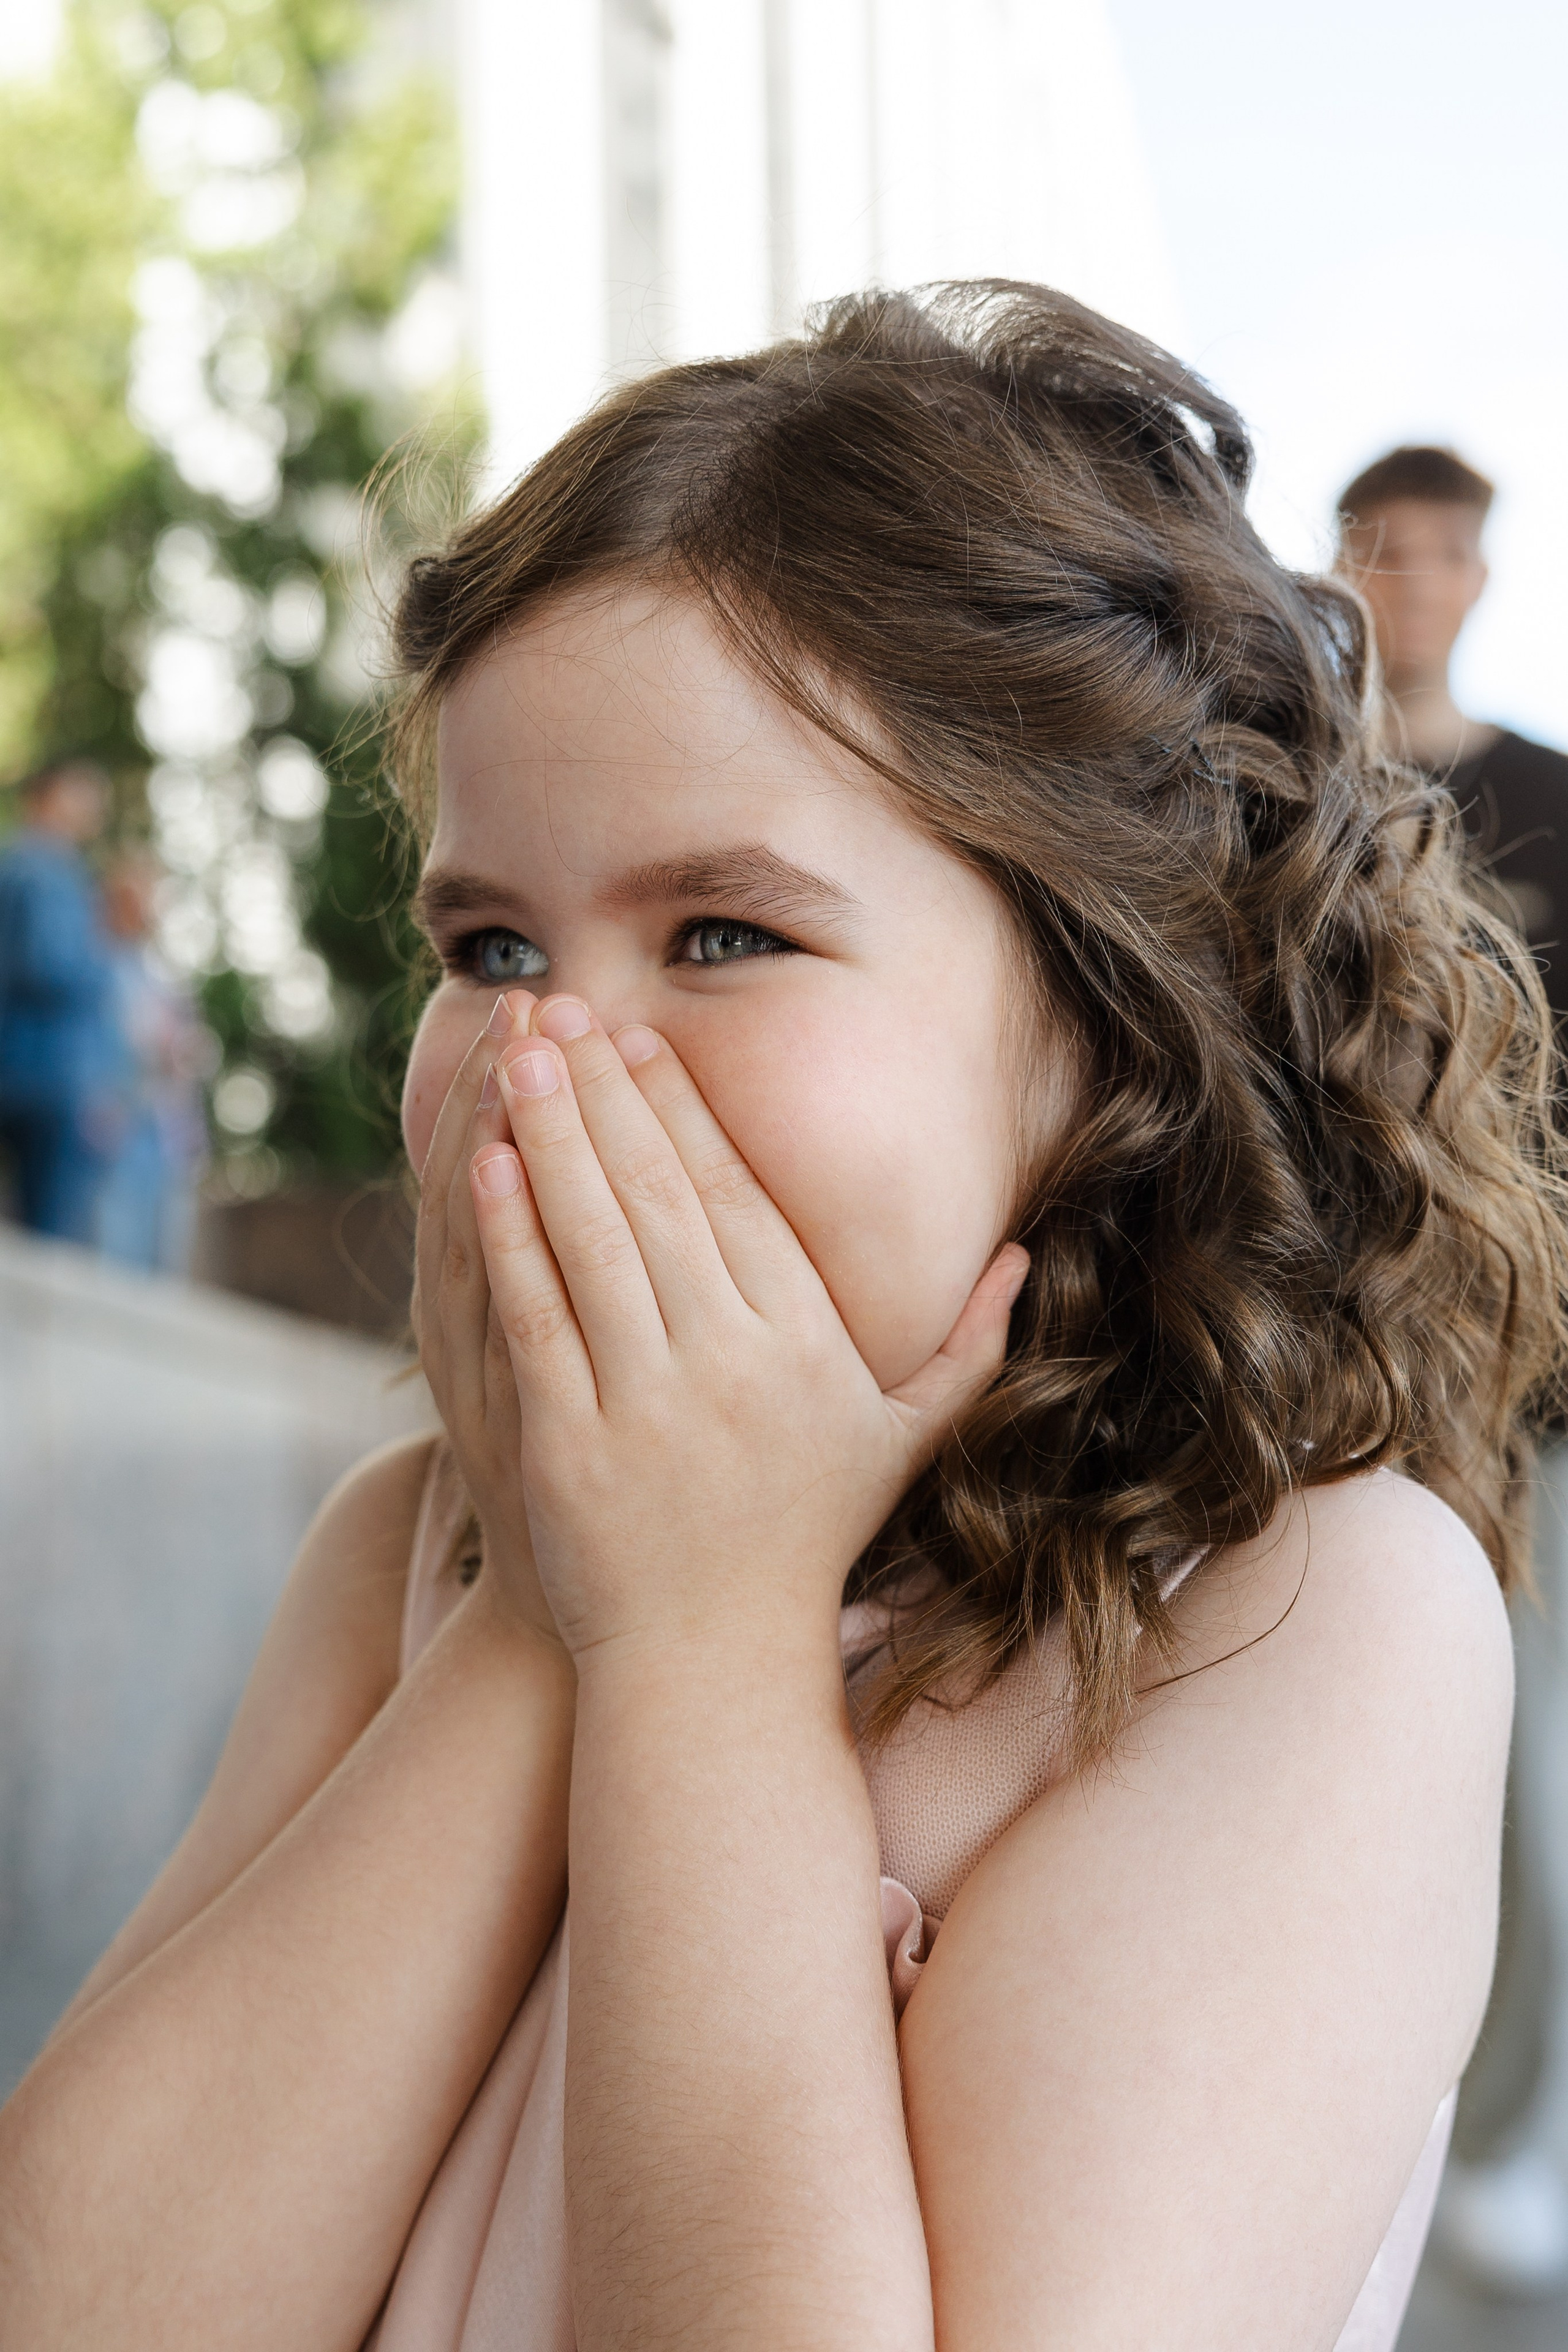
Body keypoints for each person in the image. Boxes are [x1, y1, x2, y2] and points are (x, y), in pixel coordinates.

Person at [0, 285, 1561, 2350]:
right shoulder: (413, 1549)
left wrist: (706, 1648)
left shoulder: (1301, 1619)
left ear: (1115, 1025)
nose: (548, 1055)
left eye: (724, 929)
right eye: (488, 939)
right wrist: (549, 1614)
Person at [1341, 445, 1568, 2299]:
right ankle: (1377, 2140)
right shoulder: (1299, 807)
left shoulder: (1554, 802)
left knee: (1548, 1790)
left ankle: (1517, 2140)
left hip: (1535, 1394)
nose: (1410, 578)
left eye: (1441, 551)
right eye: (1381, 549)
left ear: (1479, 573)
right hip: (1343, 1399)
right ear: (1345, 567)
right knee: (1379, 1784)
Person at [0, 757, 125, 1245]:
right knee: (49, 1236)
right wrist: (104, 963)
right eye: (82, 793)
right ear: (47, 797)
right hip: (44, 1075)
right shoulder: (41, 868)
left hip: (34, 1067)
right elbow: (47, 965)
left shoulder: (41, 867)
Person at [95, 851, 211, 1275]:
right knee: (114, 1259)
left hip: (167, 1137)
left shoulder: (162, 974)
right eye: (138, 896)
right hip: (114, 1135)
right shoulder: (95, 967)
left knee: (163, 1263)